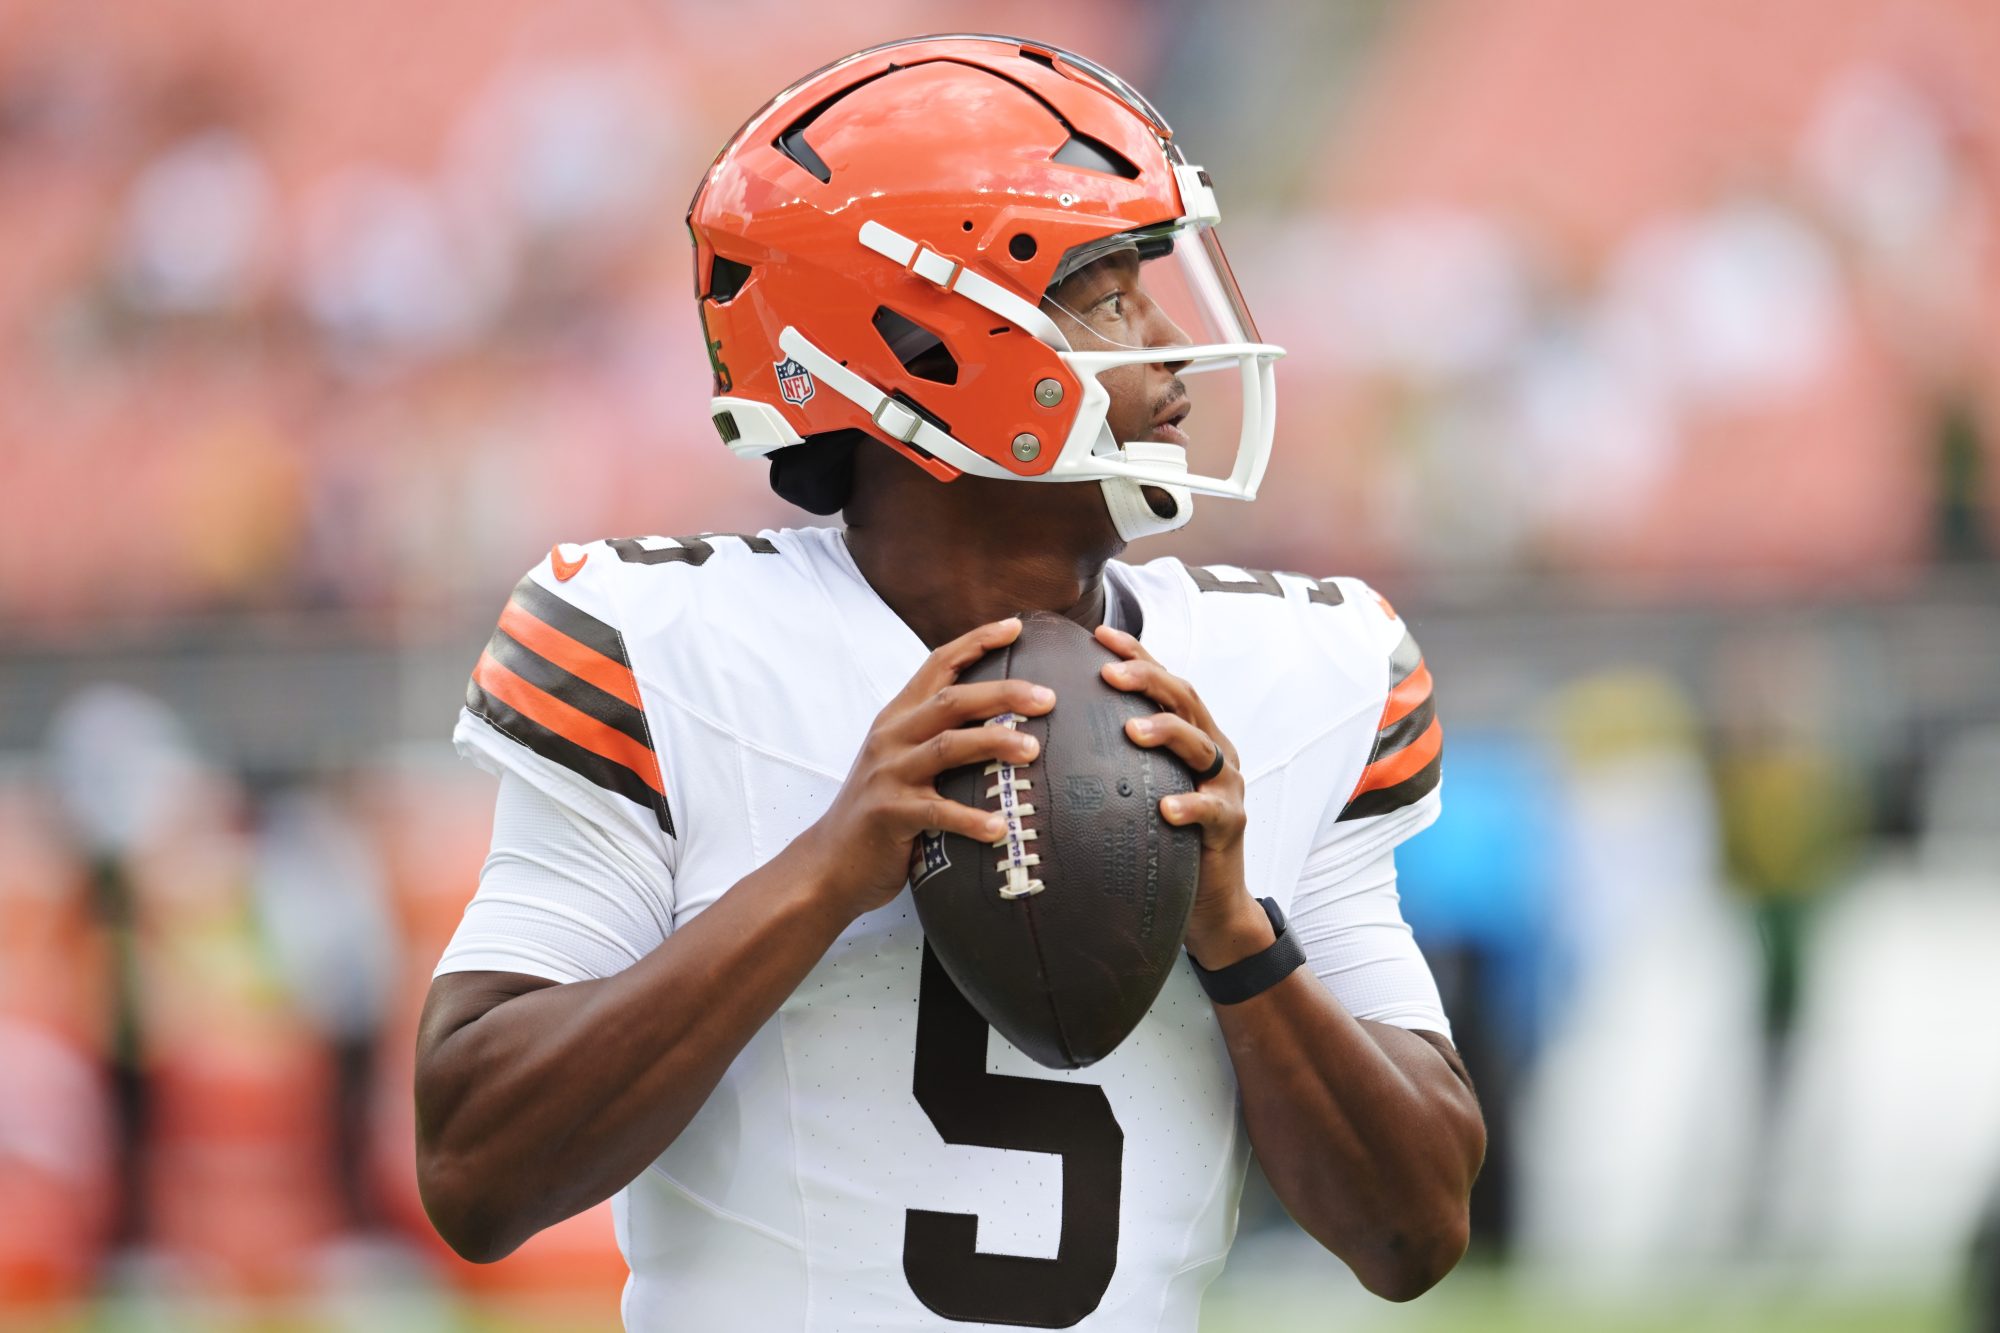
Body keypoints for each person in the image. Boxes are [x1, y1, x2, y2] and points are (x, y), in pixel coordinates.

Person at [414, 36, 1484, 1331]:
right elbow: (476, 1170)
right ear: (926, 349)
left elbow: (1417, 1225)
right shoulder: (662, 640)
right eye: (1102, 295)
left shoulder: (1300, 665)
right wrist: (825, 875)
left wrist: (1236, 934)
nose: (1166, 350)